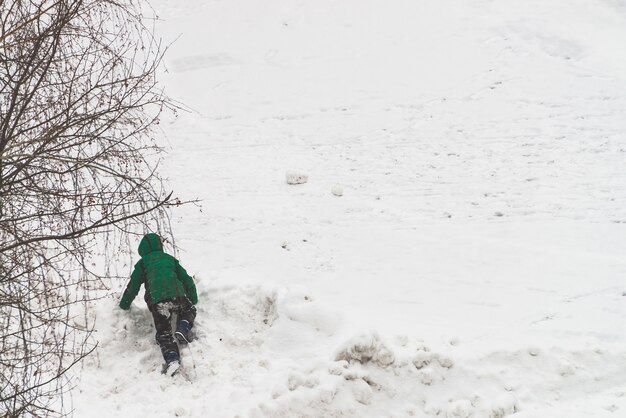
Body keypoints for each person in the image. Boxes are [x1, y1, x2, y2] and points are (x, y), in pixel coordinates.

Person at [119, 233, 198, 373]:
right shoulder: (170, 259)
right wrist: (193, 299)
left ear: (142, 250)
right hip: (178, 296)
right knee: (189, 309)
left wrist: (124, 304)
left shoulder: (143, 264)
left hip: (158, 301)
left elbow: (133, 287)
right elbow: (187, 280)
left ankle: (172, 359)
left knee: (164, 332)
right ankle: (183, 327)